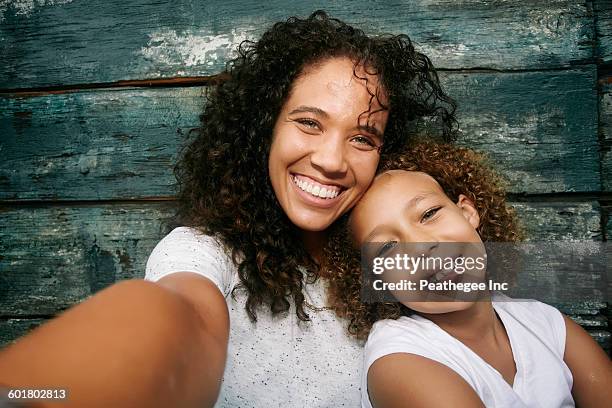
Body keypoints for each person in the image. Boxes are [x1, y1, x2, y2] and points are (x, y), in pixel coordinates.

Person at [0, 11, 456, 407]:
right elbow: (182, 320)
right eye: (309, 123)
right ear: (264, 128)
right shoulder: (201, 254)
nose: (332, 161)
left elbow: (503, 309)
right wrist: (41, 385)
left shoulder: (392, 262)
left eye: (362, 138)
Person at [324, 142, 612, 407]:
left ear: (467, 212)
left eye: (429, 214)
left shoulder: (545, 324)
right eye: (386, 247)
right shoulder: (399, 360)